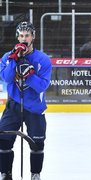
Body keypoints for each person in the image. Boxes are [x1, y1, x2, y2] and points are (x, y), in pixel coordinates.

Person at [0, 21, 52, 180]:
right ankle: (5, 174)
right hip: (14, 105)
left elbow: (42, 86)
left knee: (37, 143)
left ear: (33, 37)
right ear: (17, 37)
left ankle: (35, 174)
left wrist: (29, 76)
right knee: (3, 140)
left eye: (27, 35)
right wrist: (13, 60)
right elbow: (6, 78)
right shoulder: (7, 57)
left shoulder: (42, 59)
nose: (24, 39)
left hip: (35, 107)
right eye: (21, 35)